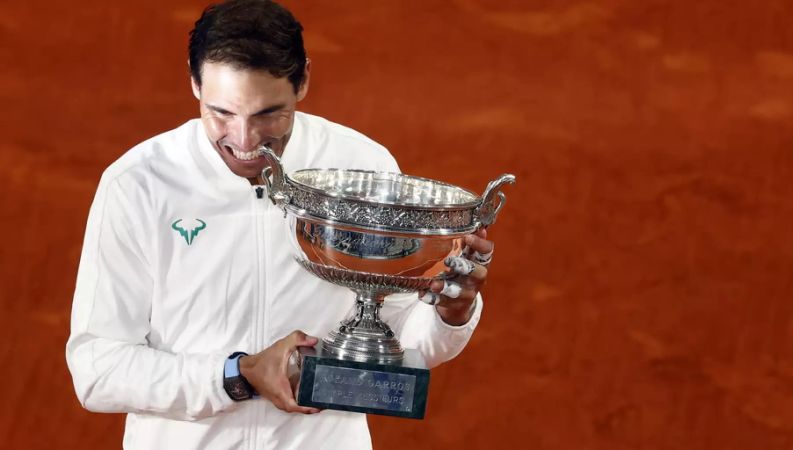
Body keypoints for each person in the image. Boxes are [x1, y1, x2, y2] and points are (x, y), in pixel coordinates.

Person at [65, 1, 496, 448]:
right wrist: (237, 374)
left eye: (269, 113)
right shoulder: (137, 184)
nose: (245, 140)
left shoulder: (362, 167)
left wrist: (451, 312)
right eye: (223, 113)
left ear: (303, 81)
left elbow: (405, 342)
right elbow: (98, 369)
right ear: (193, 83)